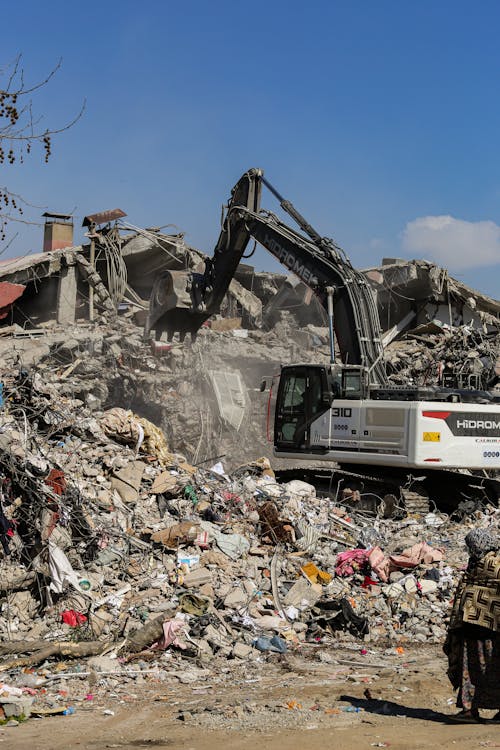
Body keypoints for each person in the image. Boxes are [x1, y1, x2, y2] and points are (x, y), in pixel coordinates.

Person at [444, 528, 500, 723]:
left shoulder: (478, 565)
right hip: (492, 624)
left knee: (470, 668)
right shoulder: (492, 562)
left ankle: (470, 710)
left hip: (474, 623)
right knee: (494, 667)